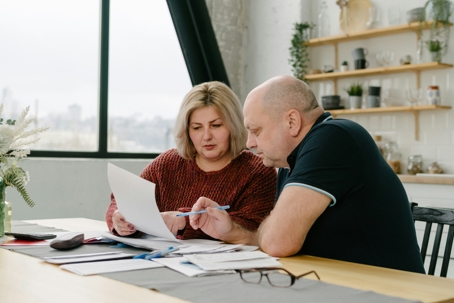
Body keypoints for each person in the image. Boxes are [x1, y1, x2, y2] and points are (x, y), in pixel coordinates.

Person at [190, 75, 425, 274]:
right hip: (340, 285)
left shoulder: (334, 138)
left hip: (390, 293)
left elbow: (277, 242)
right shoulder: (290, 162)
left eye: (256, 131)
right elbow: (275, 236)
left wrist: (268, 232)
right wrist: (234, 231)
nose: (249, 143)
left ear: (292, 121)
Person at [105, 81, 277, 240]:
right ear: (187, 131)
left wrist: (183, 221)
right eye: (197, 128)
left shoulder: (259, 171)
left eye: (216, 125)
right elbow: (124, 199)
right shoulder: (167, 163)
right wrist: (119, 218)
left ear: (233, 126)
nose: (207, 136)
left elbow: (253, 229)